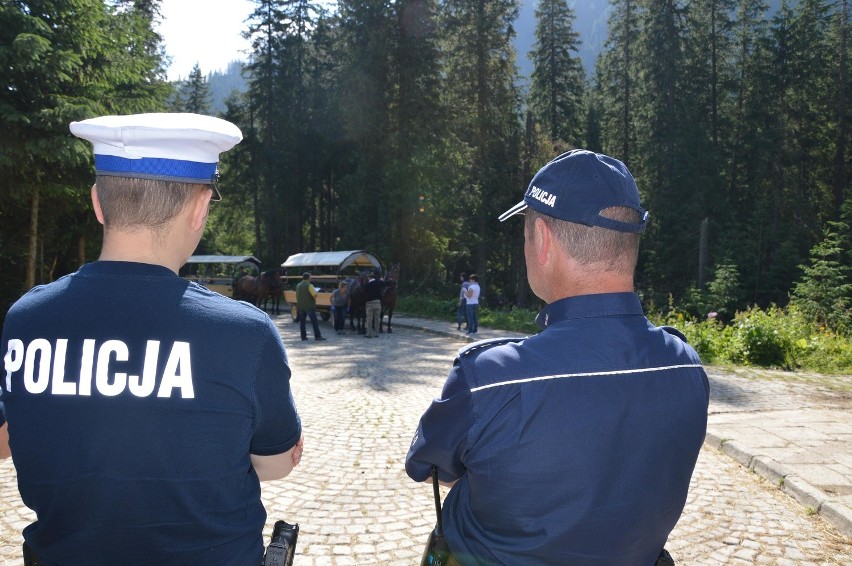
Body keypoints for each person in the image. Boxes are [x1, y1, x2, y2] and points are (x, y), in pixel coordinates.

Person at [0, 113, 304, 565]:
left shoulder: (25, 320)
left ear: (98, 204)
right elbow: (277, 463)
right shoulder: (245, 333)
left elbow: (14, 439)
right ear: (200, 208)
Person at [405, 149, 709, 565]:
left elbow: (429, 466)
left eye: (525, 235)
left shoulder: (490, 378)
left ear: (543, 240)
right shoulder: (685, 365)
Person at [296, 272, 326, 341]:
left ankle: (303, 337)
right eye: (310, 277)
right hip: (309, 306)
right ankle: (317, 336)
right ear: (308, 278)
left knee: (302, 322)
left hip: (301, 306)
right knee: (314, 322)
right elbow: (314, 295)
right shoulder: (309, 285)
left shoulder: (298, 285)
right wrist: (316, 292)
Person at [364, 270, 384, 338]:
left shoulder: (368, 285)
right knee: (377, 319)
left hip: (370, 303)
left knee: (369, 319)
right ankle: (377, 333)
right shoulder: (379, 283)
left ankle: (369, 334)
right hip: (378, 303)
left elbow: (365, 293)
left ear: (369, 277)